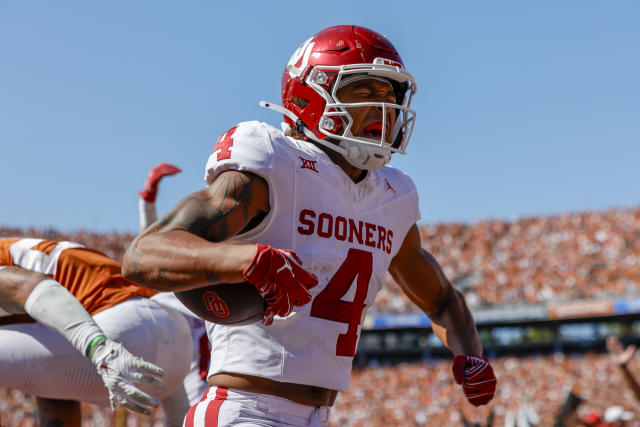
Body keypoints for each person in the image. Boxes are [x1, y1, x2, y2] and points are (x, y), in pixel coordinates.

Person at [122, 24, 497, 426]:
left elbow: (441, 300)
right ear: (312, 94)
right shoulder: (274, 163)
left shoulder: (393, 196)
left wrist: (470, 353)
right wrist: (245, 260)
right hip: (245, 410)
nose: (384, 109)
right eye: (366, 92)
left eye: (391, 95)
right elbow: (143, 255)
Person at [0, 237, 193, 427]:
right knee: (51, 384)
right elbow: (53, 390)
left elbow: (28, 286)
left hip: (116, 336)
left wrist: (101, 349)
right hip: (175, 342)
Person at [138, 162, 211, 405]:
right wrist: (147, 200)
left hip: (215, 387)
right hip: (191, 383)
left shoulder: (223, 280)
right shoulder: (177, 290)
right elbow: (148, 253)